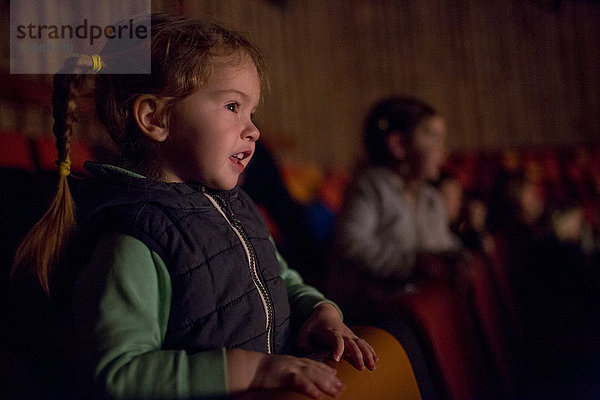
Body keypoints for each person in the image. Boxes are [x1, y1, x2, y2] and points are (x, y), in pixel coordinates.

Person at [10, 13, 377, 399]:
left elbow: (281, 278)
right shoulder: (133, 241)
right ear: (155, 118)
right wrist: (253, 369)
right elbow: (119, 373)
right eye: (233, 106)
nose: (253, 129)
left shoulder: (237, 207)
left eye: (251, 112)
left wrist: (321, 312)